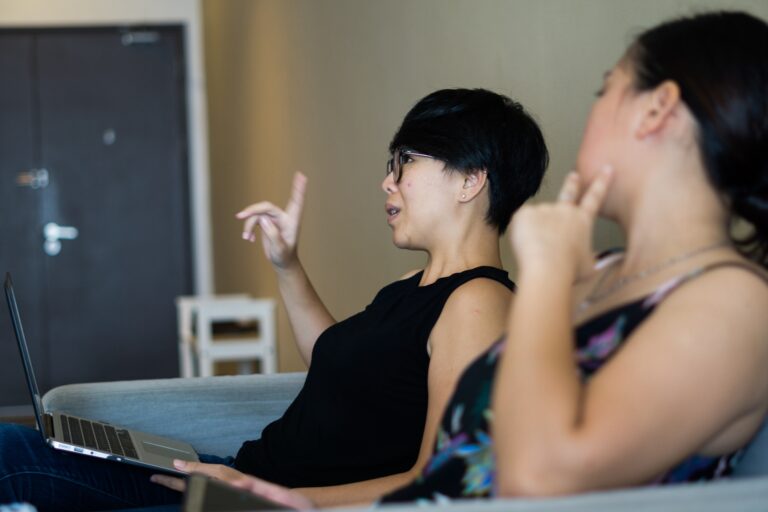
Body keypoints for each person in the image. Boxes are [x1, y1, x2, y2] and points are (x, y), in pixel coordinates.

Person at [162, 9, 768, 508]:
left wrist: (547, 273)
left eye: (605, 90)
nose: (388, 182)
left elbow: (533, 479)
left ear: (657, 110)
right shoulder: (606, 273)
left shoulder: (735, 303)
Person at [0, 88, 548, 511]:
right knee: (16, 451)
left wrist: (264, 497)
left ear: (470, 180)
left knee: (14, 467)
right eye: (391, 164)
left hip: (266, 501)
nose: (388, 181)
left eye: (406, 160)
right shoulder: (417, 284)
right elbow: (335, 362)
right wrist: (287, 263)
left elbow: (440, 477)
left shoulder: (479, 303)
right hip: (243, 479)